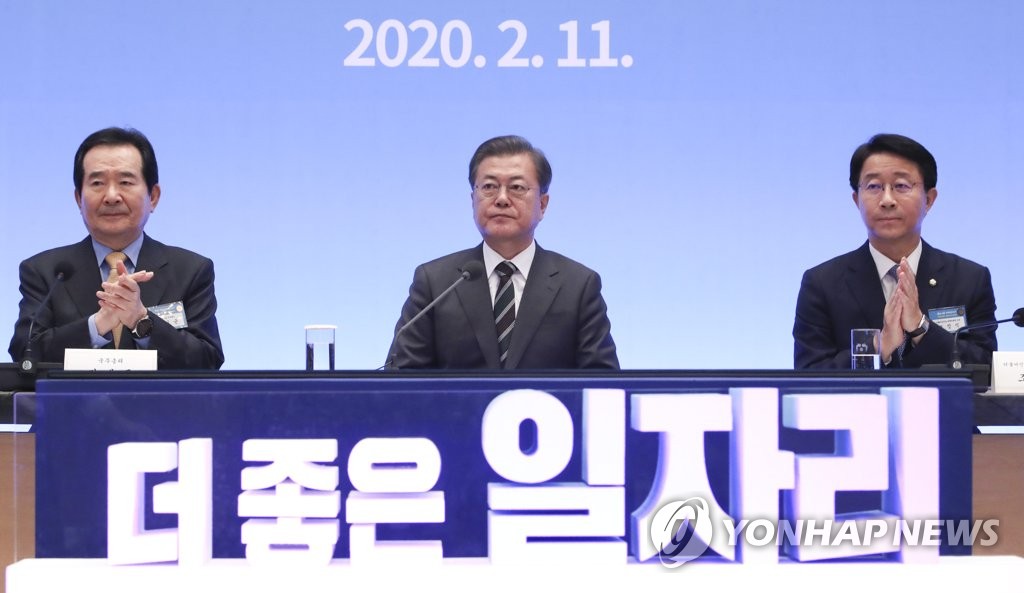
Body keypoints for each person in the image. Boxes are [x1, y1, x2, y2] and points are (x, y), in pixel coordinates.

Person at [387, 135, 618, 369]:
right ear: (473, 199)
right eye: (489, 187)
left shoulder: (578, 286)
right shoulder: (436, 283)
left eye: (517, 187)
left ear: (542, 204)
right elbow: (402, 376)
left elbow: (602, 381)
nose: (502, 199)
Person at [8, 127, 224, 369]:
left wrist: (141, 320)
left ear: (153, 197)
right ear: (79, 198)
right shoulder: (45, 271)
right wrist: (97, 325)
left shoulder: (190, 270)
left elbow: (207, 360)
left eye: (125, 182)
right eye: (97, 183)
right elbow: (25, 353)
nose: (111, 196)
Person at [793, 133, 996, 369]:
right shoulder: (822, 284)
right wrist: (878, 346)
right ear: (857, 200)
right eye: (873, 186)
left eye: (901, 186)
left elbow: (986, 368)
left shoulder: (969, 279)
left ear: (929, 199)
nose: (887, 200)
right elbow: (810, 374)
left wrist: (921, 328)